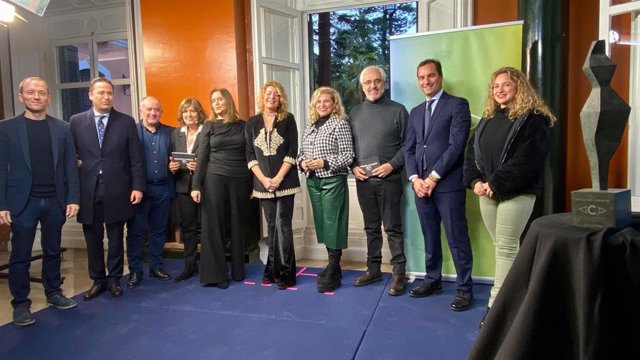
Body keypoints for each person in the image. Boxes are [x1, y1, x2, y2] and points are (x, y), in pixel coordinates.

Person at [463, 66, 556, 326]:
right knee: (505, 248)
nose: (500, 90)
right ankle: (520, 297)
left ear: (519, 87)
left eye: (506, 85)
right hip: (488, 193)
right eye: (495, 86)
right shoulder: (487, 120)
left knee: (505, 248)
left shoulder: (532, 119)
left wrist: (496, 182)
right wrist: (475, 181)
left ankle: (496, 310)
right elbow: (473, 155)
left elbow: (528, 160)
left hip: (517, 192)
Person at [0, 77, 80, 326]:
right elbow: (1, 168)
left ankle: (54, 292)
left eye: (41, 92)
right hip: (22, 201)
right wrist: (2, 204)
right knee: (21, 254)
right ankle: (21, 304)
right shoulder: (6, 128)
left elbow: (70, 166)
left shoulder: (62, 128)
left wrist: (73, 197)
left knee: (53, 250)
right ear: (21, 96)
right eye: (31, 92)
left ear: (48, 97)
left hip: (55, 199)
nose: (36, 96)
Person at [404, 59, 474, 311]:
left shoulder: (457, 105)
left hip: (447, 185)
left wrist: (433, 177)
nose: (426, 81)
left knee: (457, 238)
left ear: (440, 76)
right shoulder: (414, 112)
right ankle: (432, 280)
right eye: (421, 77)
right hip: (421, 187)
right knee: (430, 236)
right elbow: (409, 150)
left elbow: (457, 147)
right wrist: (415, 180)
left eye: (430, 76)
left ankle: (465, 289)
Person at [70, 77, 145, 301]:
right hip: (88, 189)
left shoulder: (126, 121)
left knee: (115, 236)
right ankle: (97, 280)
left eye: (109, 93)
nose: (106, 97)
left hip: (118, 189)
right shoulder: (75, 122)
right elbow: (69, 155)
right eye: (101, 93)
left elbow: (136, 158)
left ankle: (114, 279)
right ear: (90, 95)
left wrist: (138, 186)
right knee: (92, 237)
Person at [349, 65, 409, 296]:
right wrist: (353, 167)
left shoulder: (398, 111)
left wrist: (392, 164)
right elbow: (348, 148)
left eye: (377, 81)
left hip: (390, 179)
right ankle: (373, 269)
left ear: (384, 83)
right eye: (368, 83)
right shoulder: (353, 113)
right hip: (364, 181)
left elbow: (408, 145)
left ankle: (399, 274)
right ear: (362, 86)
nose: (372, 86)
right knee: (371, 228)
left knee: (393, 228)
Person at [191, 88, 251, 288]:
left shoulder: (244, 126)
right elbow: (202, 157)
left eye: (220, 99)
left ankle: (237, 270)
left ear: (228, 101)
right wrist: (196, 185)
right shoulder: (208, 126)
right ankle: (216, 275)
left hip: (240, 179)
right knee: (213, 226)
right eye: (213, 100)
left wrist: (254, 183)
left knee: (237, 224)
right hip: (214, 177)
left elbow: (251, 155)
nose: (216, 103)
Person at [298, 86, 354, 293]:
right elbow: (300, 154)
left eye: (326, 101)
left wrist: (324, 162)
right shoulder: (310, 126)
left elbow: (348, 156)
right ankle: (333, 266)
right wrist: (302, 163)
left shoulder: (340, 124)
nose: (322, 104)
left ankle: (334, 266)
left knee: (334, 223)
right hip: (313, 182)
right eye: (318, 101)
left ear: (334, 104)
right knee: (322, 224)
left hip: (332, 180)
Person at [245, 81, 301, 290]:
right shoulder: (251, 123)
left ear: (281, 98)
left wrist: (277, 178)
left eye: (276, 94)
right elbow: (250, 155)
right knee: (271, 227)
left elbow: (292, 150)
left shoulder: (288, 119)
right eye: (269, 94)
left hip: (285, 181)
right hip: (262, 183)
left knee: (282, 225)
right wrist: (264, 179)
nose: (272, 97)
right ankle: (271, 269)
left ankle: (285, 274)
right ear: (262, 96)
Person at [125, 96, 176, 288]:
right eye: (149, 109)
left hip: (164, 188)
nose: (153, 113)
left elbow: (177, 158)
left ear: (161, 112)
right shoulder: (132, 132)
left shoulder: (171, 133)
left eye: (157, 110)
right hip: (140, 190)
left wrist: (175, 166)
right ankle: (135, 271)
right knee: (136, 232)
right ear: (140, 111)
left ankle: (155, 266)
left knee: (159, 230)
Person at [169, 98, 206, 282]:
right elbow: (173, 158)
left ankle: (209, 266)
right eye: (186, 112)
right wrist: (172, 166)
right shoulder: (176, 134)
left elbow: (212, 158)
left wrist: (199, 165)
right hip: (183, 186)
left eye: (193, 111)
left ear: (199, 113)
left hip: (205, 186)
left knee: (207, 227)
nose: (189, 115)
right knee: (188, 229)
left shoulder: (206, 131)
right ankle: (190, 266)